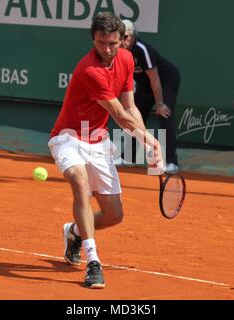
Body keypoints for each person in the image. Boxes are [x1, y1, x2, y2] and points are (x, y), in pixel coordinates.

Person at [48, 12, 163, 289]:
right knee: (79, 181)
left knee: (114, 216)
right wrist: (151, 141)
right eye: (101, 43)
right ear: (93, 39)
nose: (107, 50)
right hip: (69, 137)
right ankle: (93, 262)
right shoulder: (90, 70)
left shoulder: (125, 59)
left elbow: (130, 107)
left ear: (122, 40)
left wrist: (147, 135)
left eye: (112, 43)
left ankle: (74, 231)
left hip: (97, 141)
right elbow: (120, 117)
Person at [120, 19, 181, 173]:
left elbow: (155, 78)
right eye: (119, 36)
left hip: (165, 81)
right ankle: (130, 157)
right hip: (145, 86)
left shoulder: (142, 49)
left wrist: (160, 103)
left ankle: (171, 162)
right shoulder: (117, 50)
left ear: (133, 37)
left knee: (165, 115)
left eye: (126, 37)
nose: (122, 40)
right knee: (134, 117)